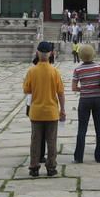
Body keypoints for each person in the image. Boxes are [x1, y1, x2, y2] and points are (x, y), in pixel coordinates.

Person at [23, 41, 65, 177]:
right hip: (52, 112)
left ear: (37, 53)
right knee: (51, 141)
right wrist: (62, 109)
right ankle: (51, 167)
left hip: (36, 112)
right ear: (51, 54)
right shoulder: (55, 72)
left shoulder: (31, 71)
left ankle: (34, 167)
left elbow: (26, 90)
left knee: (35, 141)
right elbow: (60, 93)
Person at [72, 44, 100, 164]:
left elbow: (74, 88)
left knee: (82, 128)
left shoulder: (78, 69)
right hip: (98, 99)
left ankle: (78, 156)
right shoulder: (99, 67)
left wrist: (85, 89)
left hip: (85, 100)